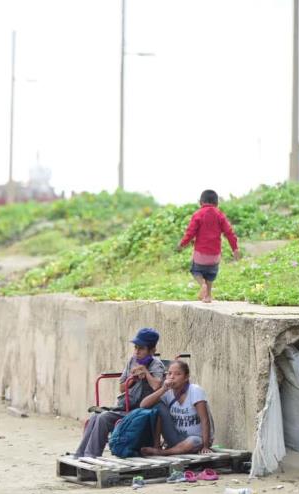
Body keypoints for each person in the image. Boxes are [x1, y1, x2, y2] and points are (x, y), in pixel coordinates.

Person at [74, 328, 166, 458]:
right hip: (125, 407)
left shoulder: (157, 365)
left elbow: (157, 386)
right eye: (136, 347)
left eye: (142, 349)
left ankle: (90, 457)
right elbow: (122, 388)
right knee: (95, 416)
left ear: (152, 350)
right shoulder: (132, 361)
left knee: (103, 419)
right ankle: (80, 456)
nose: (137, 352)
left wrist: (145, 372)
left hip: (140, 412)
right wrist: (132, 380)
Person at [177, 189, 240, 303]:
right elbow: (229, 232)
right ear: (217, 203)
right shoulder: (220, 215)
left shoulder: (198, 214)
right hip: (215, 255)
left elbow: (190, 232)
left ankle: (202, 285)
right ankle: (208, 296)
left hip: (200, 254)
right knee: (211, 274)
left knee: (195, 270)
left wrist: (182, 243)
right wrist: (235, 248)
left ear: (200, 202)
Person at [139, 359, 213, 456]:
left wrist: (206, 446)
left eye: (177, 374)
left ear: (186, 377)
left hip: (197, 439)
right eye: (169, 373)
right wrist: (163, 389)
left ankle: (162, 452)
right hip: (175, 438)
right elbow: (143, 405)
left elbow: (205, 420)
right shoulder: (168, 392)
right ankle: (157, 446)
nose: (172, 377)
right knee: (158, 407)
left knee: (194, 441)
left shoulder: (195, 391)